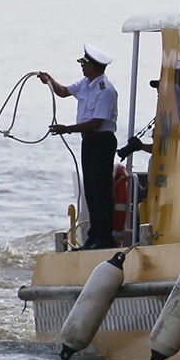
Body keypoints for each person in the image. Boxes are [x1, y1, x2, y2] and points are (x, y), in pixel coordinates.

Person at [37, 44, 120, 248]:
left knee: (101, 190)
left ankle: (104, 238)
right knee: (90, 190)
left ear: (95, 66)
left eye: (84, 63)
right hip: (89, 141)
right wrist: (50, 80)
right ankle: (93, 237)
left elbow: (97, 122)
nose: (81, 66)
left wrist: (68, 129)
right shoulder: (86, 83)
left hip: (101, 141)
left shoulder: (106, 91)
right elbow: (64, 92)